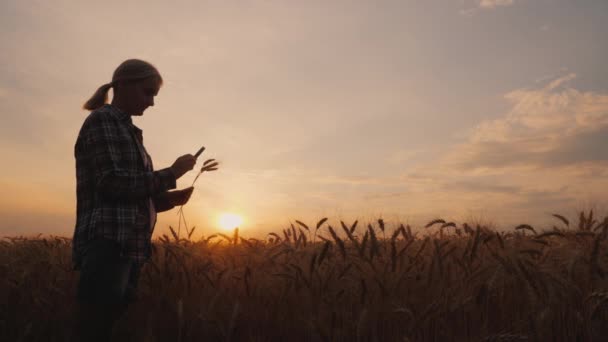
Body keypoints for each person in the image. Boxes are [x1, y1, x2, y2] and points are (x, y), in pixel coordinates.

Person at [71, 59, 198, 341]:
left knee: (105, 327)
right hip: (109, 244)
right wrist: (173, 172)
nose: (152, 102)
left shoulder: (127, 131)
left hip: (128, 246)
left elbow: (130, 198)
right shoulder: (103, 121)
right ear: (125, 85)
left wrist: (167, 200)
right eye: (148, 92)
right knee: (94, 328)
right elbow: (112, 184)